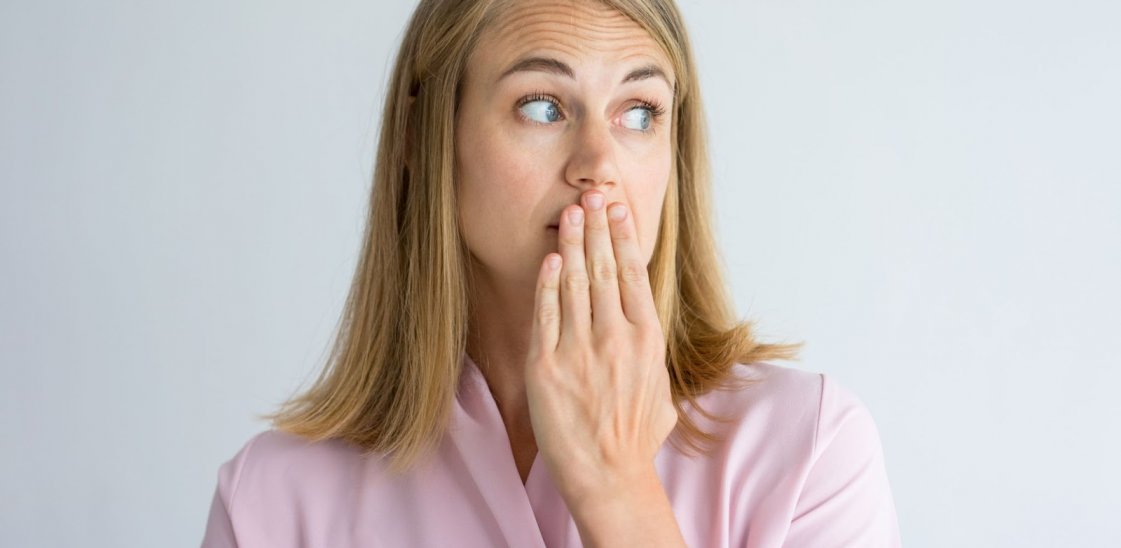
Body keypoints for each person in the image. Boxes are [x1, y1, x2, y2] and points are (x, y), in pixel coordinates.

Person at [201, 0, 902, 546]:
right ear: (423, 136)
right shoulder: (270, 500)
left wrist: (618, 491)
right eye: (542, 107)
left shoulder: (809, 449)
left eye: (638, 112)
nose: (597, 162)